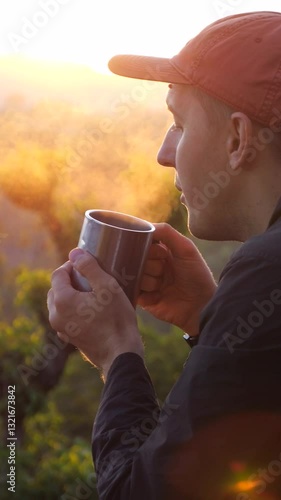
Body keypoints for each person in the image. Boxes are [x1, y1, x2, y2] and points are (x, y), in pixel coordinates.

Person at [47, 11, 281, 500]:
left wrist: (116, 353)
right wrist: (208, 317)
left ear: (239, 140)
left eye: (178, 123)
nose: (163, 152)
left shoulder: (267, 269)